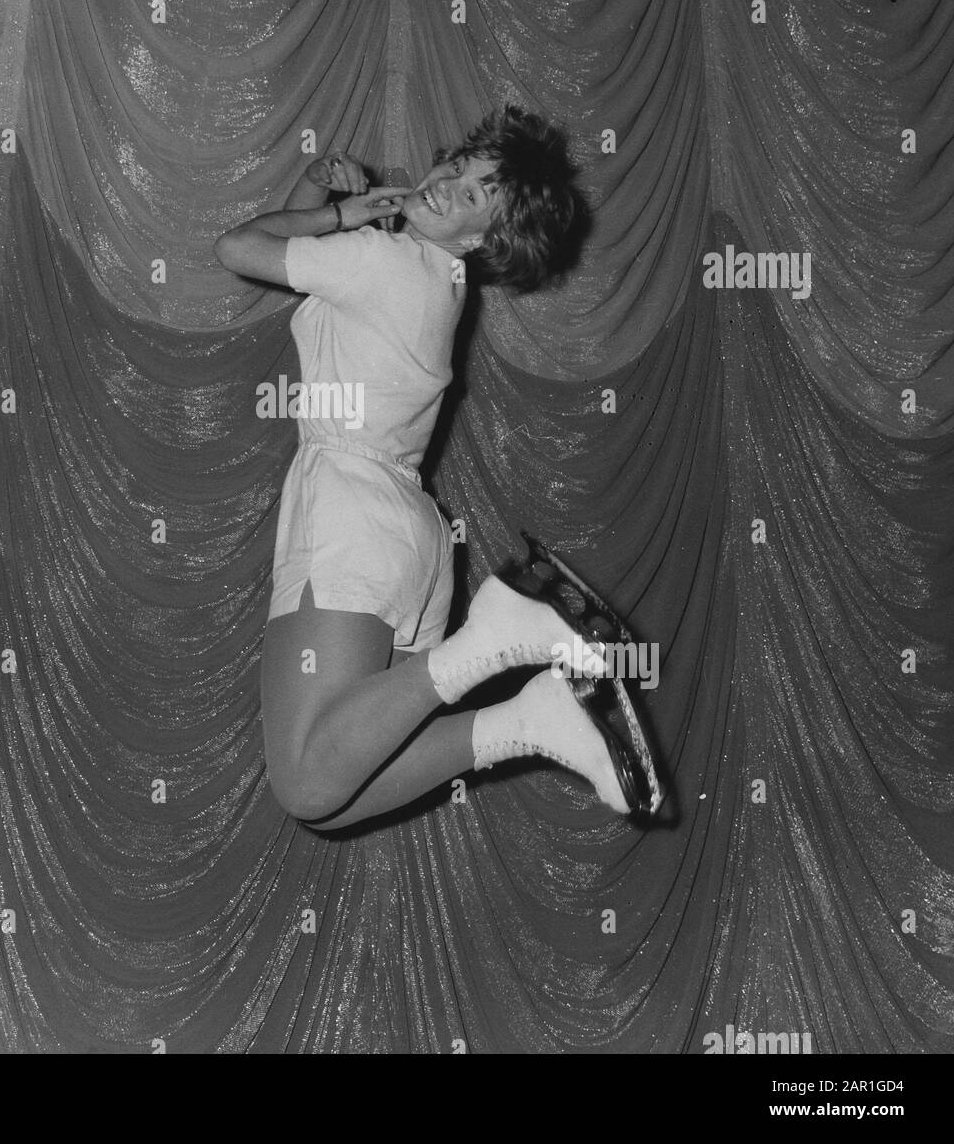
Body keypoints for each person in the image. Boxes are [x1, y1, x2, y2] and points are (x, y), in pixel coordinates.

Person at [215, 104, 651, 831]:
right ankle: (525, 721)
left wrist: (340, 211)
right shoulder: (433, 281)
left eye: (475, 193)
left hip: (351, 508)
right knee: (339, 797)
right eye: (456, 166)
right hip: (408, 536)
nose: (448, 183)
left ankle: (493, 638)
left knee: (305, 780)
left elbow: (238, 248)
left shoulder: (380, 261)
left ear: (483, 238)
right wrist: (324, 198)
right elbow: (292, 268)